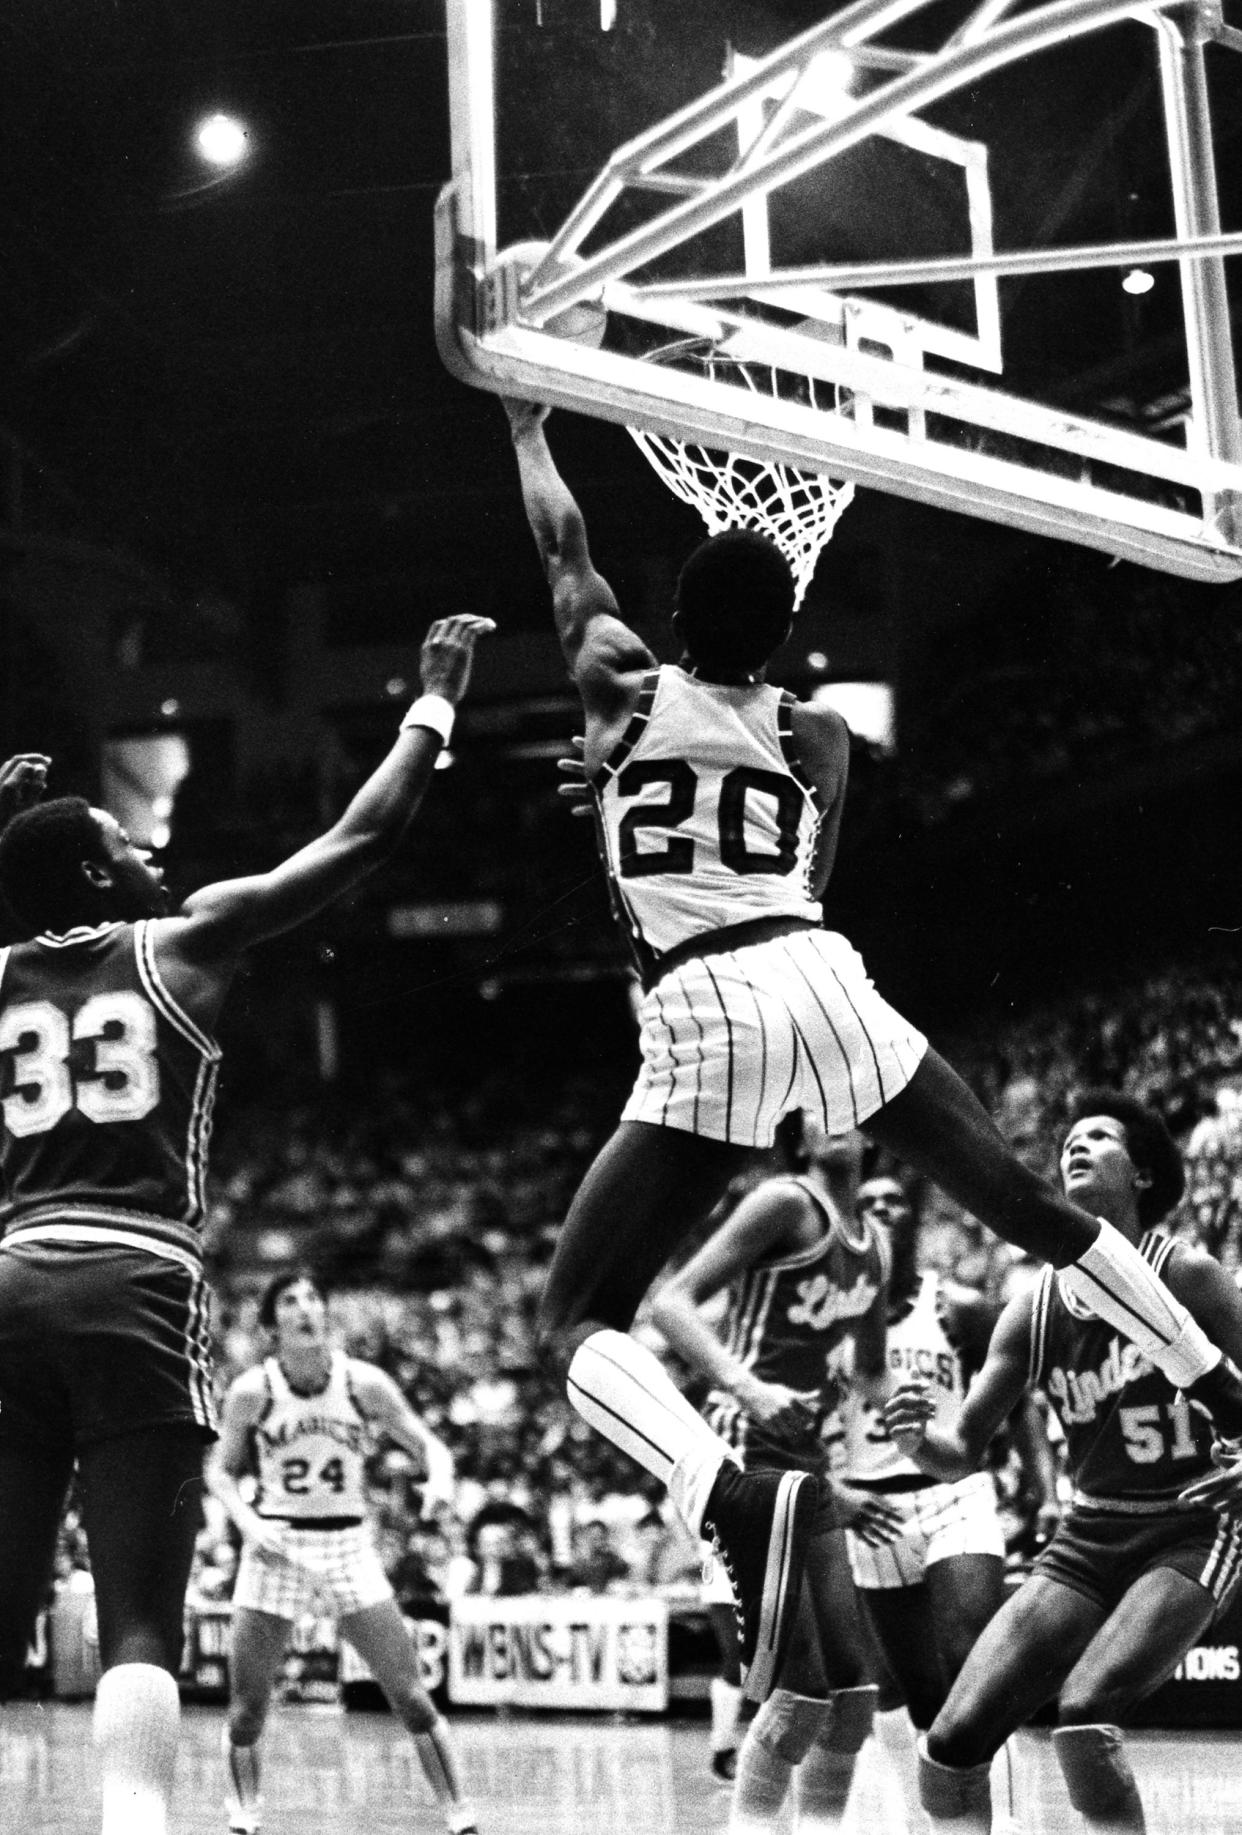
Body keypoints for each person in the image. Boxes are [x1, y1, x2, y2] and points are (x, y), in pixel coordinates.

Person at [500, 394, 1242, 1712]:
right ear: (783, 634)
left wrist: (527, 430)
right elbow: (811, 874)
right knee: (1026, 1204)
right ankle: (1213, 1380)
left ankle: (713, 1487)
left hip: (700, 999)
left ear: (669, 618)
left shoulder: (614, 679)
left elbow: (566, 552)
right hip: (818, 968)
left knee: (573, 1316)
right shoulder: (817, 731)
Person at [0, 613, 492, 1835]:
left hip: (8, 1281)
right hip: (134, 1283)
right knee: (139, 1619)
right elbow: (363, 835)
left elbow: (28, 890)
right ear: (94, 880)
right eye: (125, 840)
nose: (148, 847)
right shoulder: (187, 941)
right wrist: (431, 704)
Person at [884, 1092, 1242, 1835]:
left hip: (1194, 1527)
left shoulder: (1190, 1274)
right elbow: (960, 1451)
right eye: (1068, 1139)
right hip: (1089, 1537)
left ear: (1143, 1175)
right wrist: (919, 1439)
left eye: (1100, 1136)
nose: (1076, 1145)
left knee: (1084, 1719)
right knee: (947, 1746)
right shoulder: (1033, 1307)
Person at [651, 1120, 903, 1834]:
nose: (842, 1116)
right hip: (740, 1442)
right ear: (800, 1136)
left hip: (802, 1459)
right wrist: (746, 1383)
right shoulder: (785, 1202)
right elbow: (672, 1302)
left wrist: (935, 1434)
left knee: (855, 1690)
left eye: (850, 1102)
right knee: (803, 1687)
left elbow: (873, 1374)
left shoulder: (875, 1244)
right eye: (820, 1106)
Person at [208, 1268, 477, 1835]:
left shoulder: (364, 1382)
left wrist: (441, 1480)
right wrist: (248, 1523)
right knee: (247, 1706)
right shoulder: (252, 1391)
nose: (305, 1309)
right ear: (270, 1324)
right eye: (289, 1301)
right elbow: (221, 1473)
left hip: (348, 1545)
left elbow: (430, 1445)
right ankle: (242, 1817)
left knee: (409, 1696)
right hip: (277, 1546)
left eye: (313, 1298)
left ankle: (460, 1816)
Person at [837, 1169, 1046, 1827]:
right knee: (923, 1697)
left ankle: (1010, 1819)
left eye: (892, 1201)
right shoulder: (824, 1323)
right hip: (871, 1513)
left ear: (914, 1219)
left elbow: (1016, 1396)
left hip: (955, 1491)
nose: (879, 1210)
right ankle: (937, 1818)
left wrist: (1041, 1476)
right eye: (865, 1202)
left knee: (970, 1661)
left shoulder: (959, 1306)